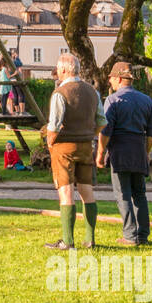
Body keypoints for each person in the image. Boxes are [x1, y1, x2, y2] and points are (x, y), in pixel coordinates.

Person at [43, 53, 104, 250]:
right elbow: (102, 121)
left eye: (58, 69)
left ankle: (68, 241)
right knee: (87, 191)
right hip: (86, 146)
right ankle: (90, 239)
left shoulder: (60, 93)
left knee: (66, 192)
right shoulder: (93, 92)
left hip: (64, 148)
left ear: (63, 70)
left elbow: (54, 125)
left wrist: (50, 144)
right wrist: (88, 134)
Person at [96, 61, 152, 246]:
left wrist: (100, 153)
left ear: (119, 78)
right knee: (140, 194)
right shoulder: (147, 100)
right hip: (138, 149)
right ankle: (143, 235)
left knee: (122, 194)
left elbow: (105, 131)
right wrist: (146, 152)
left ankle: (130, 236)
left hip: (120, 150)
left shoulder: (112, 100)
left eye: (111, 79)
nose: (110, 82)